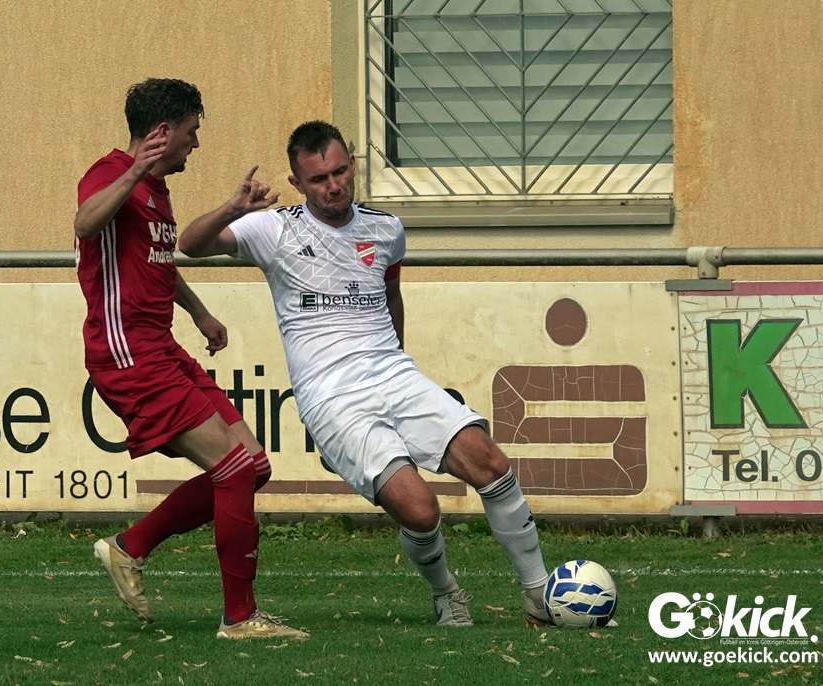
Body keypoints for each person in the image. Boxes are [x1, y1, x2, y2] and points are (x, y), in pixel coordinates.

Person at [177, 120, 554, 627]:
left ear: (352, 165)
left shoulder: (385, 229)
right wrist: (233, 208)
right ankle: (446, 593)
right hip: (331, 396)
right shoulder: (273, 229)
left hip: (393, 374)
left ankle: (539, 595)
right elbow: (190, 244)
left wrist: (398, 362)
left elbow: (391, 294)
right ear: (297, 184)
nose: (333, 186)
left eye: (339, 172)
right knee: (421, 511)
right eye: (318, 179)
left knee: (491, 463)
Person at [73, 78, 307, 640]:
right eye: (191, 131)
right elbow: (84, 223)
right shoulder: (110, 173)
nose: (195, 144)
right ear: (162, 131)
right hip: (128, 354)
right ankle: (240, 619)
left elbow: (157, 261)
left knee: (253, 466)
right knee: (234, 467)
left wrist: (200, 312)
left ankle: (130, 547)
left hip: (163, 348)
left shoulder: (156, 191)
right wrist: (134, 171)